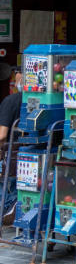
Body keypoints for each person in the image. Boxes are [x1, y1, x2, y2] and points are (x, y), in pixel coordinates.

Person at [0, 70, 20, 224]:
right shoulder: (35, 100)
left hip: (11, 155)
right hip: (29, 153)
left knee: (8, 187)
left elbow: (2, 135)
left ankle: (9, 210)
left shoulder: (10, 101)